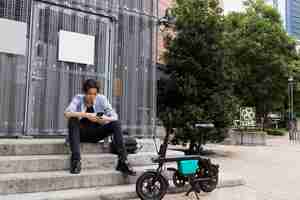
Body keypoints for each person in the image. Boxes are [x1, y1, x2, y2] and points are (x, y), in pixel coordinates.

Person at [64, 79, 136, 176]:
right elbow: (67, 113)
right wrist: (87, 115)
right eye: (89, 94)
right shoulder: (78, 98)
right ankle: (76, 160)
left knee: (116, 123)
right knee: (73, 120)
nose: (92, 97)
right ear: (84, 92)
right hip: (80, 135)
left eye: (94, 94)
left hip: (96, 133)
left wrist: (100, 118)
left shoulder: (102, 99)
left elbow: (114, 116)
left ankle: (123, 162)